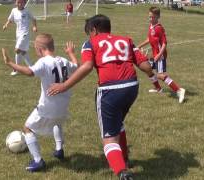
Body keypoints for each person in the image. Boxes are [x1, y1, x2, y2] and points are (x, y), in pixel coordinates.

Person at [47, 14, 153, 180]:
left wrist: (64, 85)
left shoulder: (91, 43)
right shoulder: (127, 40)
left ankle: (123, 173)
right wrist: (153, 70)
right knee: (118, 123)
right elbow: (146, 67)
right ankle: (124, 159)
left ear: (94, 30)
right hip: (132, 87)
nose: (88, 36)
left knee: (109, 139)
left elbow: (87, 66)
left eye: (88, 32)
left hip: (110, 90)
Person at [1, 33, 78, 172]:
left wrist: (10, 63)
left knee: (27, 128)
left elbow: (30, 72)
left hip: (48, 107)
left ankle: (38, 161)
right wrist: (71, 53)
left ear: (39, 49)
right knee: (57, 123)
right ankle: (59, 150)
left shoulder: (43, 62)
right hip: (63, 106)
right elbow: (76, 66)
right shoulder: (63, 60)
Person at [138, 6, 185, 103]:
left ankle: (179, 90)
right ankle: (158, 89)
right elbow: (149, 39)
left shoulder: (159, 28)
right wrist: (138, 46)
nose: (150, 19)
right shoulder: (151, 26)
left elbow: (164, 43)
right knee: (148, 69)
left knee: (160, 75)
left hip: (160, 55)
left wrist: (159, 54)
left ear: (158, 17)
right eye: (149, 17)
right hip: (154, 54)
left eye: (153, 17)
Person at [3, 0, 37, 76]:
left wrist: (34, 26)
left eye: (22, 2)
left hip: (25, 34)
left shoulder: (27, 11)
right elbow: (10, 20)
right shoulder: (14, 10)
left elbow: (33, 19)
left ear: (24, 3)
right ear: (16, 3)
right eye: (18, 2)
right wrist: (6, 25)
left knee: (17, 49)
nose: (20, 4)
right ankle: (32, 67)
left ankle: (16, 69)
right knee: (23, 52)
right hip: (18, 34)